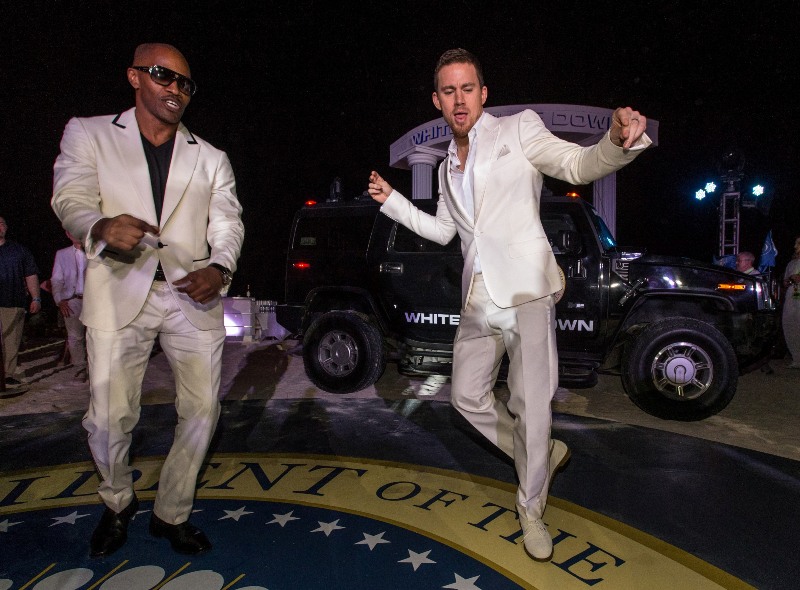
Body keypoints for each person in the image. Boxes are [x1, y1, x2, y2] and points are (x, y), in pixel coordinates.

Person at [368, 48, 651, 561]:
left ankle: (531, 509)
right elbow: (445, 231)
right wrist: (393, 201)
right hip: (477, 296)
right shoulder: (444, 169)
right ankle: (539, 453)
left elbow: (576, 165)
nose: (459, 99)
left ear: (483, 94)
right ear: (437, 100)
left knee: (531, 406)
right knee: (465, 398)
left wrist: (613, 141)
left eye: (467, 89)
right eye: (448, 91)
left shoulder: (518, 129)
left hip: (526, 291)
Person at [51, 43, 244, 557]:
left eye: (185, 83)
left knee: (202, 411)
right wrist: (98, 224)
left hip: (193, 295)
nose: (176, 88)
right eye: (163, 75)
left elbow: (228, 222)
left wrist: (220, 268)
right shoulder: (88, 133)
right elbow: (69, 197)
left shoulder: (211, 157)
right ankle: (117, 502)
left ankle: (171, 512)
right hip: (119, 288)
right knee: (108, 418)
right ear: (135, 76)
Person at [0, 215, 41, 387]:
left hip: (13, 301)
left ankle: (7, 375)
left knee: (12, 341)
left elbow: (30, 274)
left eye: (1, 224)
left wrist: (36, 297)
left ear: (6, 227)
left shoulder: (19, 250)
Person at [50, 230, 88, 382]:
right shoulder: (62, 254)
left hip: (94, 300)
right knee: (75, 336)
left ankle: (96, 368)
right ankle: (80, 367)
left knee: (96, 336)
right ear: (67, 234)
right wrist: (59, 300)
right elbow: (56, 279)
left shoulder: (95, 252)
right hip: (72, 300)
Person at [782, 236, 800, 368]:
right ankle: (797, 359)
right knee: (790, 326)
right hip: (792, 297)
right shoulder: (791, 264)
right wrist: (789, 280)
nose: (795, 246)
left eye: (798, 244)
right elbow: (785, 282)